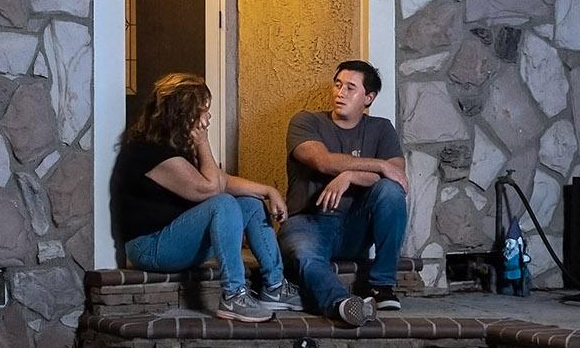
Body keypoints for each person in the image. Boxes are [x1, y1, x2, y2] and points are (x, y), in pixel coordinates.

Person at [110, 73, 303, 322]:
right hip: (151, 248)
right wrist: (203, 143)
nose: (208, 117)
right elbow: (211, 189)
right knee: (222, 203)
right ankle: (234, 295)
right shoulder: (148, 152)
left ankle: (275, 287)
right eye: (202, 110)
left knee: (251, 203)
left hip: (175, 238)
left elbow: (220, 180)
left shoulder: (174, 146)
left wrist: (268, 190)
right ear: (182, 114)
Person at [279, 60, 408, 328]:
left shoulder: (381, 129)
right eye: (338, 85)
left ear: (368, 98)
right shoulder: (306, 121)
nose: (340, 93)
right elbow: (323, 161)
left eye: (351, 88)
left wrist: (349, 176)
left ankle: (382, 286)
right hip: (309, 222)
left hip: (354, 226)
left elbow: (398, 177)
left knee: (390, 192)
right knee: (306, 256)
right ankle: (342, 304)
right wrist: (380, 165)